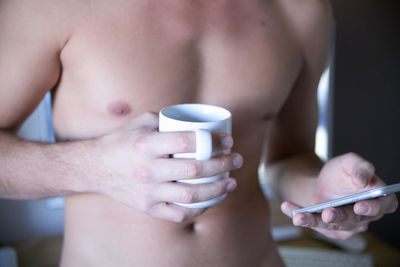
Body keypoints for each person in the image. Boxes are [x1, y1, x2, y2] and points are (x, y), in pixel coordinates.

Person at [0, 0, 397, 266]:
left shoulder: (301, 9)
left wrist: (319, 192)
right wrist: (93, 168)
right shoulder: (49, 6)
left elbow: (287, 156)